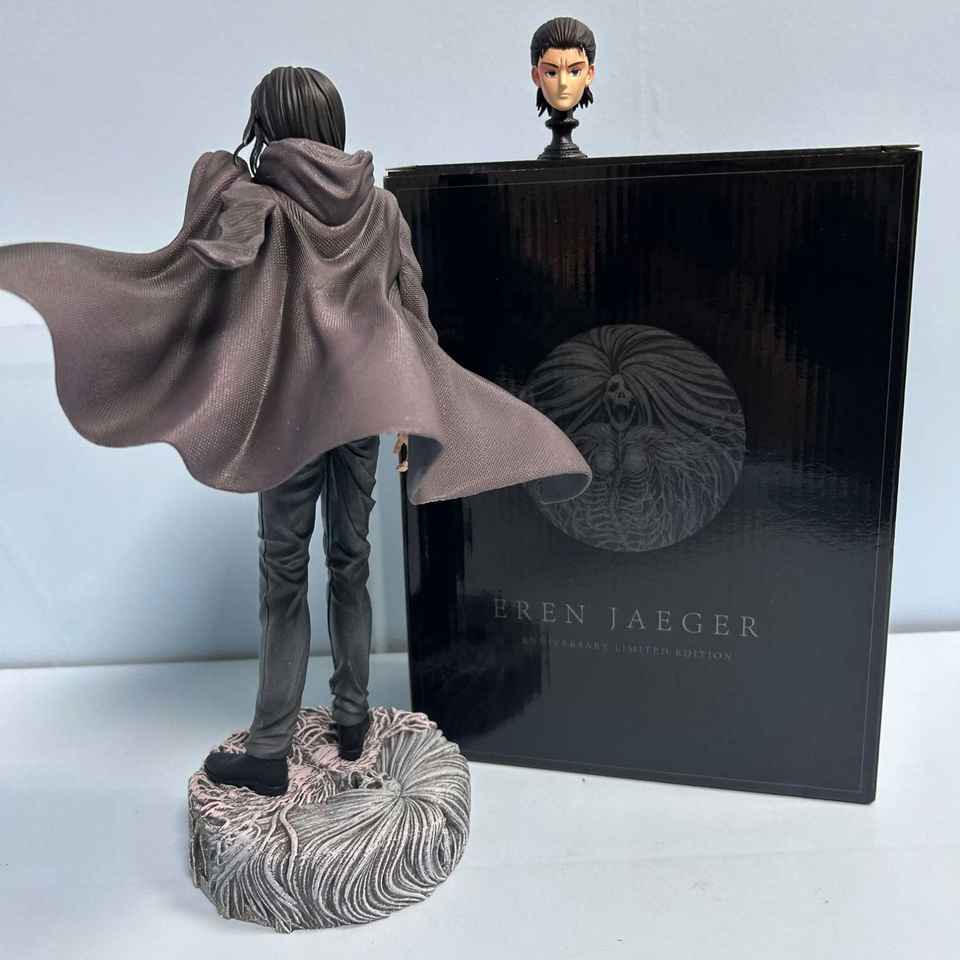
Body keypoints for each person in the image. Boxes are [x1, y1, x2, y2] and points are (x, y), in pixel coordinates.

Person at [0, 65, 592, 797]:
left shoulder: (262, 203)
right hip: (366, 412)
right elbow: (413, 311)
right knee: (351, 561)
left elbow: (214, 254)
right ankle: (353, 719)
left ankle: (270, 748)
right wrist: (419, 410)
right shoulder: (380, 207)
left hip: (290, 415)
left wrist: (219, 179)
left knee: (284, 574)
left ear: (270, 123)